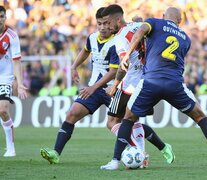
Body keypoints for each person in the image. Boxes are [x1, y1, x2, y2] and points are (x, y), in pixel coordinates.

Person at [102, 6, 207, 170]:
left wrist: (128, 53)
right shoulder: (186, 38)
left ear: (164, 16)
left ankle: (115, 161)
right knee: (200, 116)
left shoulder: (154, 23)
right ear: (180, 21)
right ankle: (150, 150)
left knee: (128, 118)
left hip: (150, 81)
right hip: (174, 84)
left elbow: (141, 31)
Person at [40, 7, 120, 164]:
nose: (103, 27)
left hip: (114, 89)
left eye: (105, 23)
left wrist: (92, 88)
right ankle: (56, 153)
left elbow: (112, 72)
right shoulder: (92, 38)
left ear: (111, 23)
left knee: (122, 125)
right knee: (72, 114)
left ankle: (140, 151)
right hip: (95, 89)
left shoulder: (117, 42)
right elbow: (85, 51)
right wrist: (73, 66)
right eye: (99, 24)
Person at [100, 4, 174, 170]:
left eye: (108, 23)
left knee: (112, 122)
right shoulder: (139, 26)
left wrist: (114, 86)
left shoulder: (120, 38)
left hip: (130, 84)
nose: (106, 26)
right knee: (133, 120)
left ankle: (137, 154)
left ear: (117, 20)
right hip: (148, 81)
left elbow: (123, 65)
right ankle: (159, 149)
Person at [0, 6, 27, 157]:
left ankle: (10, 147)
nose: (0, 19)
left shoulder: (11, 36)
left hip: (4, 76)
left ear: (5, 17)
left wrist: (20, 83)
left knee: (2, 110)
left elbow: (17, 62)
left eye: (2, 16)